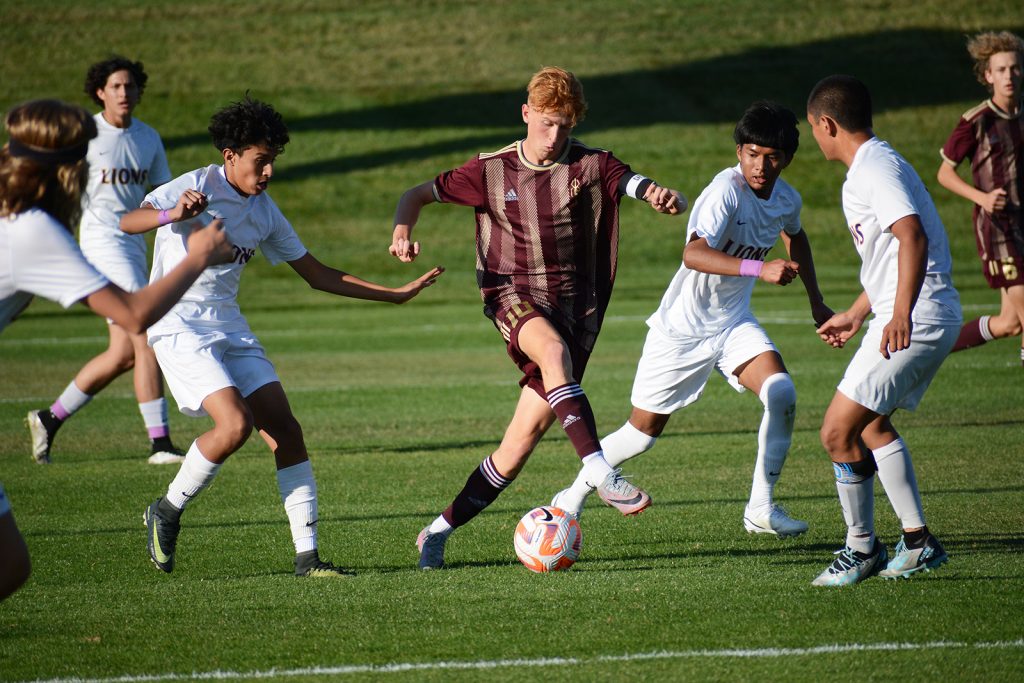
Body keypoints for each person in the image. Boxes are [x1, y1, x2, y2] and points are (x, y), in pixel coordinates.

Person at [122, 95, 444, 578]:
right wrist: (171, 215)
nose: (269, 171)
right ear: (230, 155)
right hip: (179, 324)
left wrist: (393, 295)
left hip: (229, 326)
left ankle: (307, 558)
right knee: (234, 425)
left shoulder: (264, 211)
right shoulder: (197, 185)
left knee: (286, 431)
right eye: (260, 160)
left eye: (273, 160)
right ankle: (166, 510)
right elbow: (129, 221)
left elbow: (317, 273)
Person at [390, 66, 686, 570]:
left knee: (518, 444)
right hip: (510, 294)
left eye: (564, 126)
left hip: (575, 308)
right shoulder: (489, 171)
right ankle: (599, 471)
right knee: (550, 350)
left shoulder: (592, 164)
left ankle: (436, 532)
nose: (554, 136)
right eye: (547, 123)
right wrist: (402, 232)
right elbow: (415, 195)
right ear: (526, 113)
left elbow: (632, 182)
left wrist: (656, 194)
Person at [550, 101, 832, 538]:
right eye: (752, 154)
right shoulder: (725, 192)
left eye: (772, 157)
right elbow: (694, 254)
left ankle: (760, 507)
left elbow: (795, 235)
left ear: (787, 159)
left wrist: (817, 303)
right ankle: (570, 498)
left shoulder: (786, 198)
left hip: (733, 323)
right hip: (682, 331)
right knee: (641, 434)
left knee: (781, 392)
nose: (760, 166)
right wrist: (760, 268)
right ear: (739, 152)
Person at [0, 98, 233, 600]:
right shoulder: (32, 231)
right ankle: (156, 439)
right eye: (84, 159)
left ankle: (53, 418)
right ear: (66, 168)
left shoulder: (19, 216)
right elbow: (134, 315)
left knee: (11, 565)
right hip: (124, 256)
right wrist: (197, 258)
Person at [806, 75, 962, 586]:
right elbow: (891, 257)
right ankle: (917, 542)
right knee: (870, 426)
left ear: (827, 124)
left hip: (919, 314)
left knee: (836, 432)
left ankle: (861, 549)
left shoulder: (873, 168)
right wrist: (858, 313)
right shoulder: (878, 163)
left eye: (814, 129)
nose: (815, 138)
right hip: (922, 312)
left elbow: (911, 236)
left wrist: (899, 314)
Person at [27, 56, 184, 466]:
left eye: (130, 86)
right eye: (115, 86)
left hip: (134, 245)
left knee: (123, 354)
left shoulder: (148, 137)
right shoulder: (86, 135)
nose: (124, 92)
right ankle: (160, 444)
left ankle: (49, 418)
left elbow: (162, 191)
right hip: (100, 243)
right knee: (144, 330)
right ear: (100, 92)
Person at [937, 31, 1024, 365]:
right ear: (988, 76)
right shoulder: (976, 120)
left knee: (1009, 324)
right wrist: (983, 198)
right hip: (998, 230)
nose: (1009, 76)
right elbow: (944, 174)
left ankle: (933, 349)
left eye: (1014, 68)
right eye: (1001, 70)